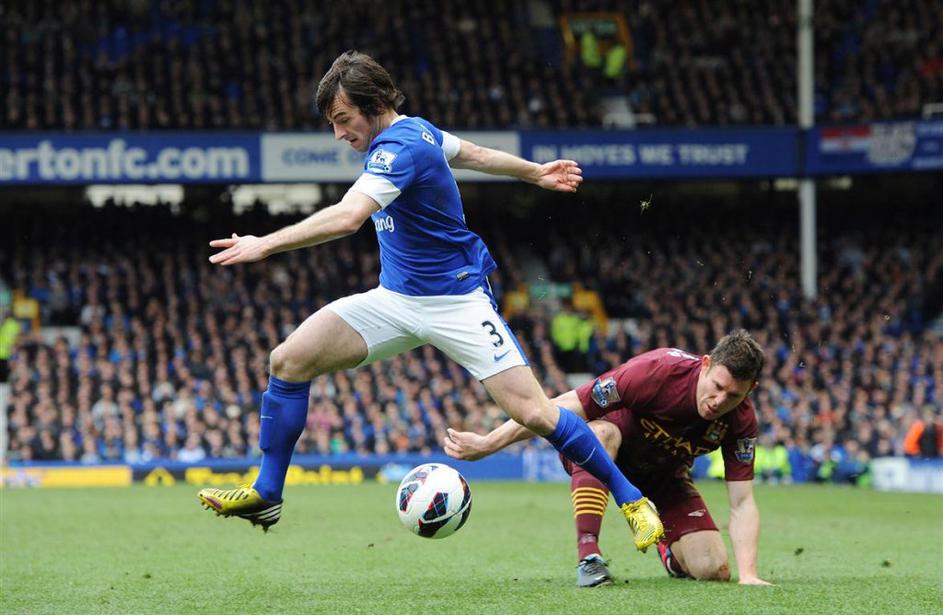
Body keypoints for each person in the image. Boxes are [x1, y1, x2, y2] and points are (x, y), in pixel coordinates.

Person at [197, 50, 662, 550]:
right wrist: (533, 172)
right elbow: (473, 154)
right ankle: (267, 493)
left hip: (458, 303)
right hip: (395, 300)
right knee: (288, 360)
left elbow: (348, 217)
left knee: (535, 413)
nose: (338, 134)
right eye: (333, 122)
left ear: (374, 104)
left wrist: (265, 244)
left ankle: (632, 499)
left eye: (343, 119)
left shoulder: (399, 149)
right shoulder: (421, 132)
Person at [444, 330, 772, 586]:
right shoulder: (658, 372)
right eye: (717, 386)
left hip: (665, 478)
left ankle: (667, 549)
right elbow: (558, 407)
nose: (719, 401)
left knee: (713, 570)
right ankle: (589, 556)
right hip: (603, 455)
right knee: (601, 434)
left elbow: (742, 501)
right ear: (705, 364)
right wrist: (490, 442)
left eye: (733, 395)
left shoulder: (741, 421)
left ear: (751, 389)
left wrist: (749, 574)